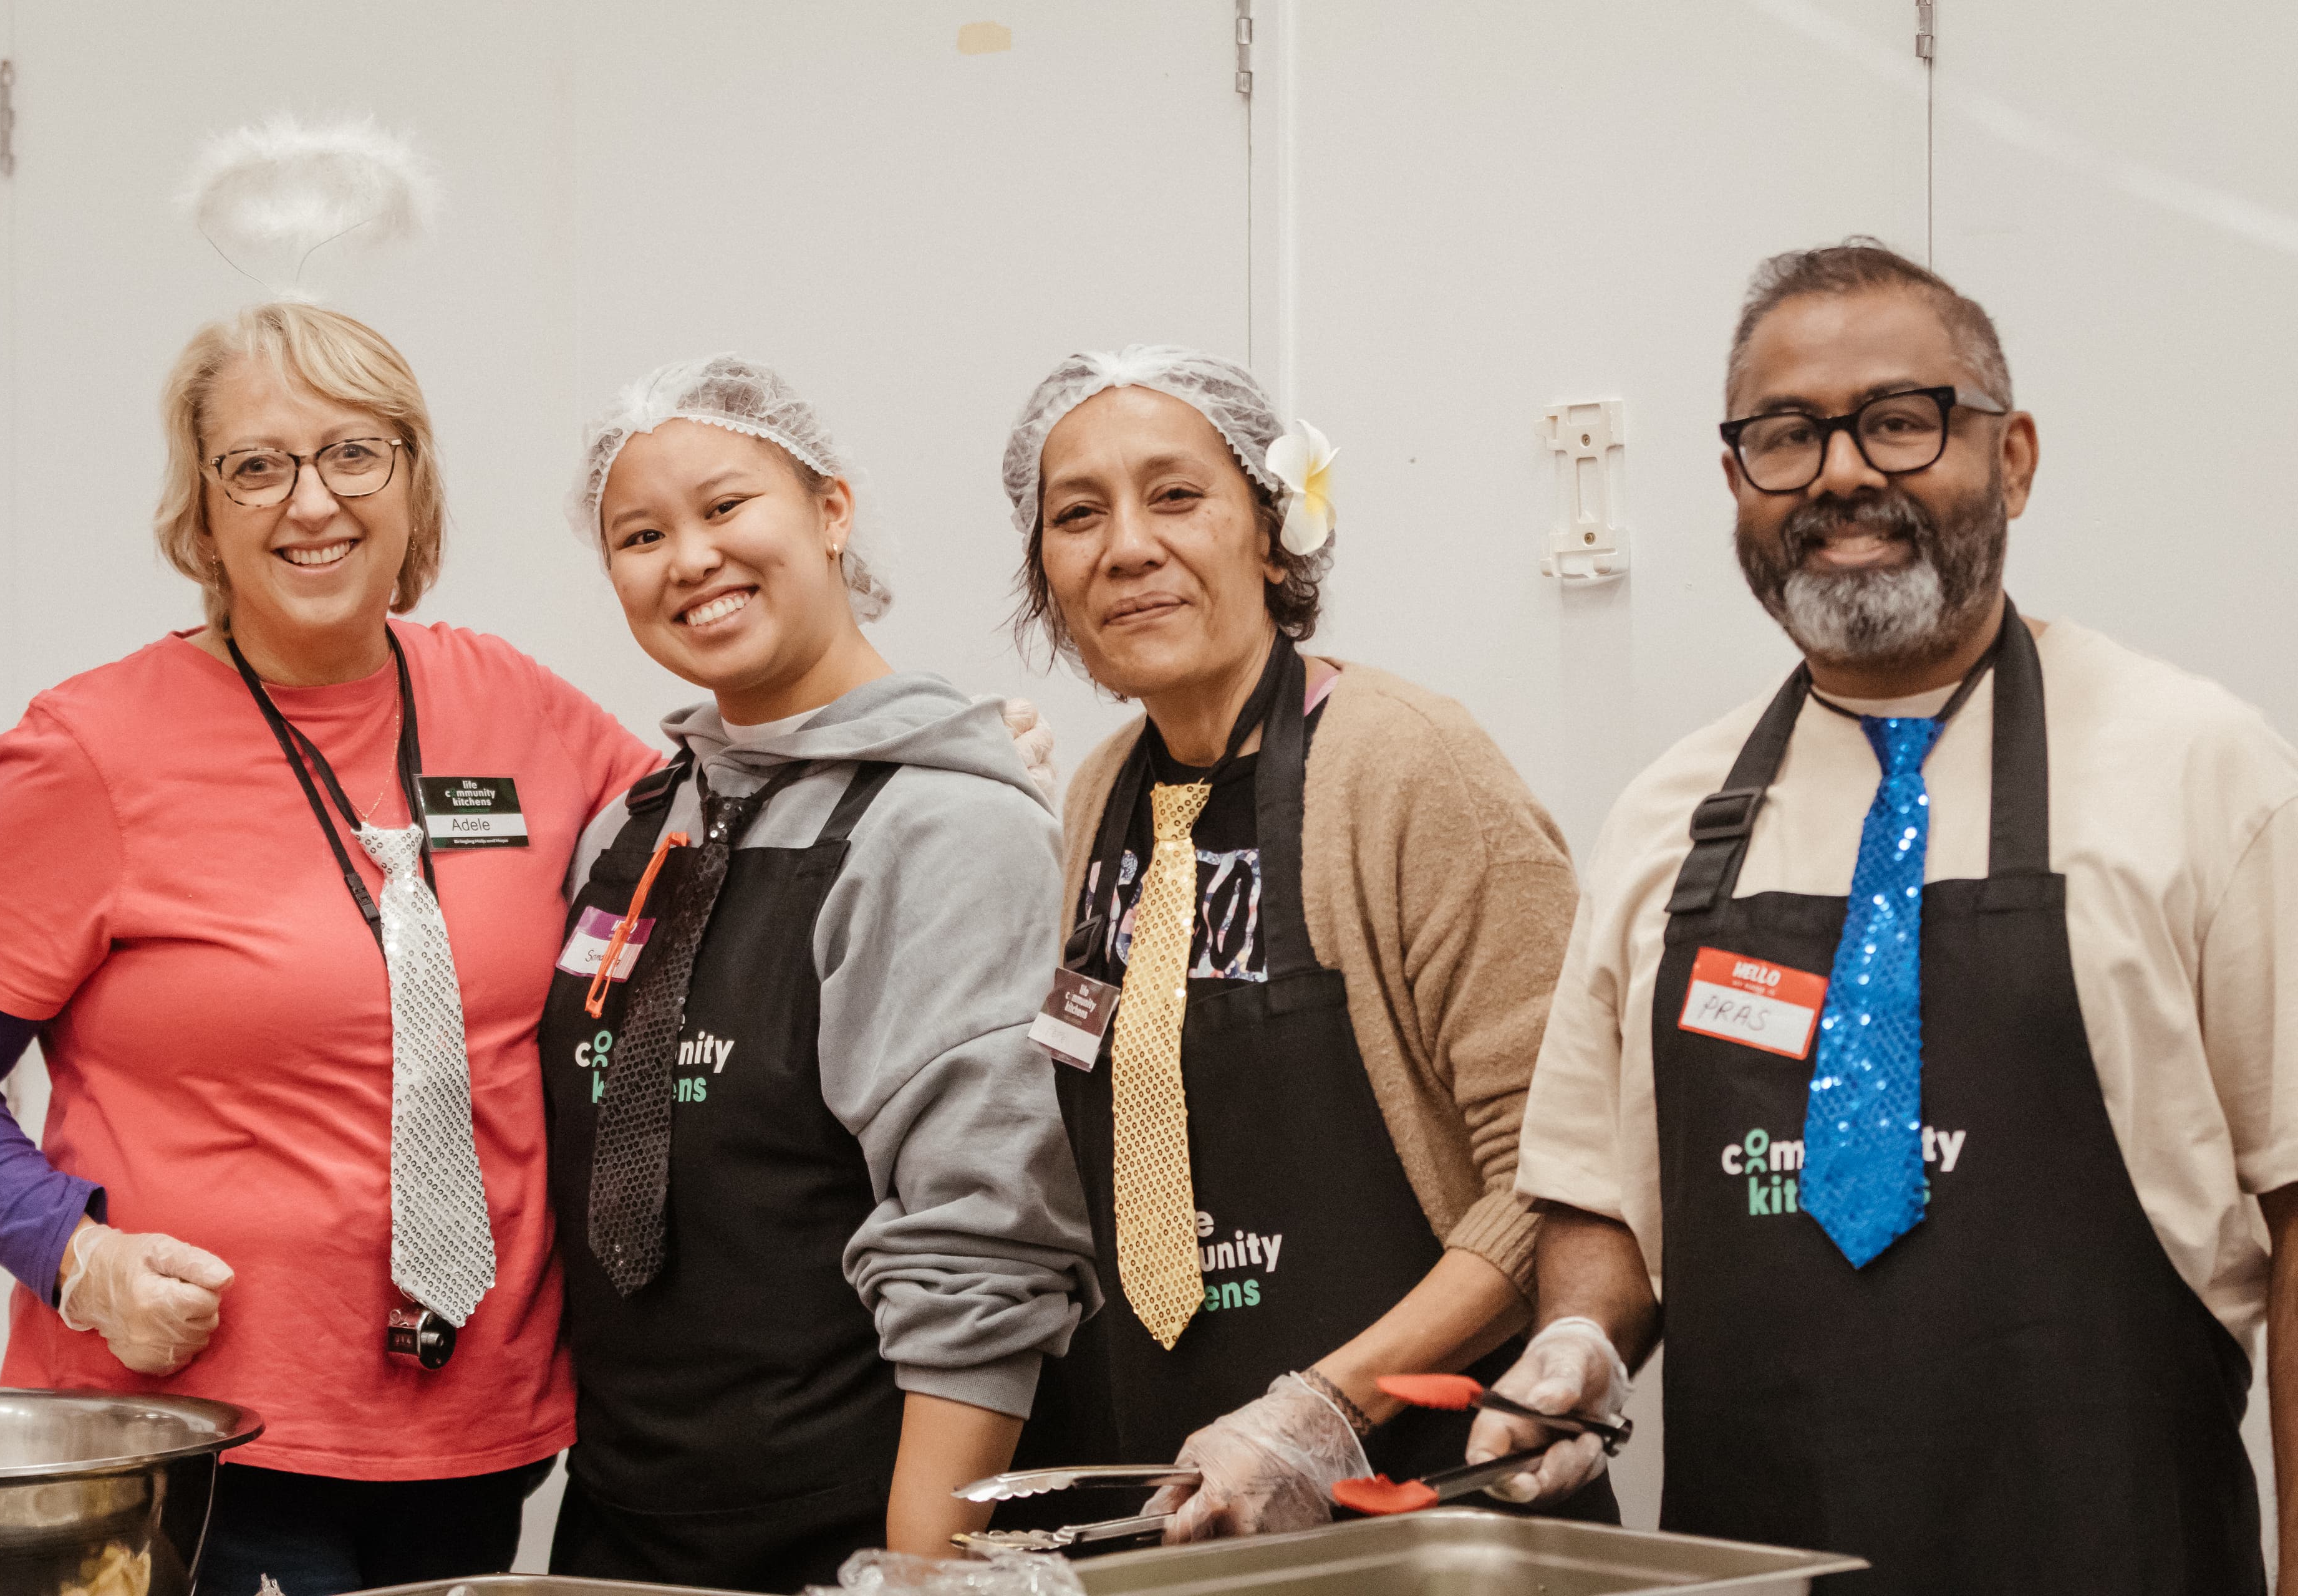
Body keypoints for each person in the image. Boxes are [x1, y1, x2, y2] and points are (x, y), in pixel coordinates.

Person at [1479, 239, 2298, 1594]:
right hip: (1757, 1561)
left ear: (2014, 456)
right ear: (1736, 481)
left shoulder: (2204, 772)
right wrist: (1582, 1342)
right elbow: (1600, 1195)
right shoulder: (1671, 816)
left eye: (1901, 422)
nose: (1845, 473)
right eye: (1788, 437)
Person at [0, 302, 667, 1595]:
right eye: (257, 465)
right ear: (201, 516)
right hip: (191, 1439)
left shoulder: (521, 705)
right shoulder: (90, 749)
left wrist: (890, 751)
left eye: (354, 453)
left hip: (476, 1434)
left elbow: (721, 853)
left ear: (414, 481)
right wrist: (75, 1258)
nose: (311, 501)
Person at [997, 345, 1613, 1542]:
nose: (1127, 546)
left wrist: (1328, 1407)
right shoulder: (1097, 797)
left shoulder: (1410, 766)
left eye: (1176, 496)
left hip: (1436, 1494)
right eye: (1078, 515)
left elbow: (1559, 1178)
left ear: (1275, 536)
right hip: (1190, 1498)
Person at [538, 355, 1095, 1590]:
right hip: (625, 1520)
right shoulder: (634, 827)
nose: (688, 557)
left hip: (858, 1517)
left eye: (727, 506)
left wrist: (918, 1570)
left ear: (832, 513)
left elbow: (987, 1236)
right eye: (640, 533)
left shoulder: (947, 825)